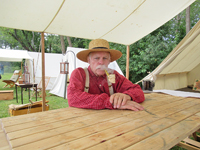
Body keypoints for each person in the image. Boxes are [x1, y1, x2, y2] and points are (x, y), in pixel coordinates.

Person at [67, 39, 145, 111]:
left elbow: (138, 91)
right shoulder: (79, 74)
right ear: (89, 60)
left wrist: (127, 96)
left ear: (109, 61)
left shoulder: (113, 75)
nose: (101, 62)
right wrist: (111, 102)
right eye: (96, 58)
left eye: (105, 58)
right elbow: (73, 98)